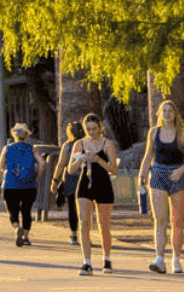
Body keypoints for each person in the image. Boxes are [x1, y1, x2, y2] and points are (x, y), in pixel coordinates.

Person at [144, 100, 184, 274]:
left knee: (176, 220)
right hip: (158, 175)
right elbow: (148, 156)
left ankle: (176, 259)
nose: (167, 113)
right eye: (164, 111)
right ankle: (159, 259)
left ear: (175, 114)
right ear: (159, 113)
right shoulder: (154, 132)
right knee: (159, 220)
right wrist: (142, 175)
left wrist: (180, 170)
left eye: (170, 111)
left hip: (178, 176)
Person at [70, 114, 122, 275]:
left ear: (100, 127)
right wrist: (81, 160)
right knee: (84, 222)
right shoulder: (79, 144)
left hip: (103, 184)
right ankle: (87, 262)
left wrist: (99, 160)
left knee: (104, 224)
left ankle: (106, 258)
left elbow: (114, 169)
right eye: (88, 129)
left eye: (94, 128)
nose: (92, 132)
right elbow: (70, 170)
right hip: (85, 185)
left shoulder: (108, 144)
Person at [0, 123, 41, 247]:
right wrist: (36, 175)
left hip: (11, 185)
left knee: (12, 210)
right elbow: (42, 163)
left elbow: (1, 166)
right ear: (27, 135)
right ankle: (26, 237)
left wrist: (7, 173)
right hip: (29, 185)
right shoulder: (32, 148)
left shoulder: (7, 148)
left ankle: (17, 227)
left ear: (14, 134)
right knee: (26, 210)